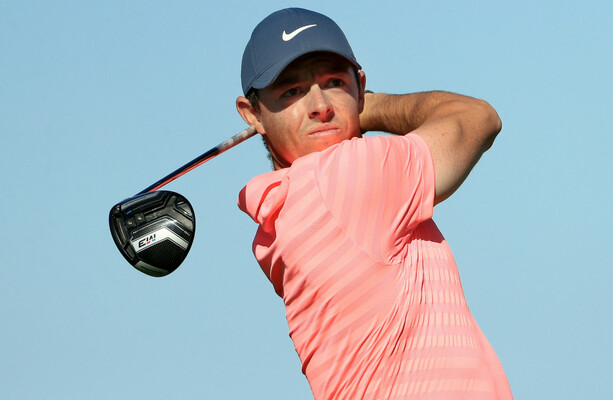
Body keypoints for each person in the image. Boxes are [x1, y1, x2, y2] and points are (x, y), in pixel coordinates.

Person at [235, 7, 513, 400]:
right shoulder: (342, 176)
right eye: (292, 91)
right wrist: (368, 107)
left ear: (358, 84)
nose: (320, 106)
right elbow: (477, 118)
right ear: (252, 114)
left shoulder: (279, 216)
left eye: (334, 82)